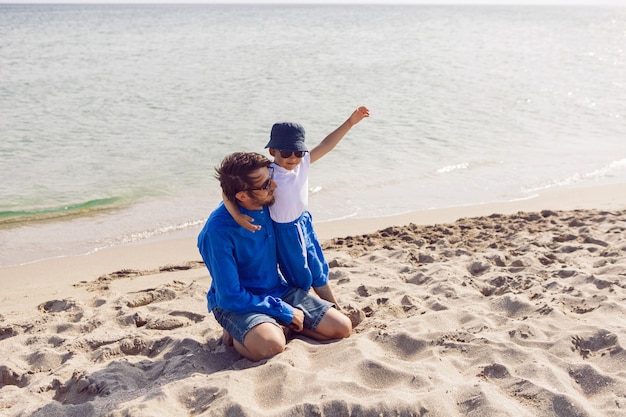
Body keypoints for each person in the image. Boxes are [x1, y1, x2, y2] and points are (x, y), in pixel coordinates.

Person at [198, 152, 352, 362]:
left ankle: (275, 327)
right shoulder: (217, 232)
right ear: (241, 196)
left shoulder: (273, 205)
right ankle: (238, 333)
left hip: (277, 290)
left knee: (341, 327)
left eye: (272, 179)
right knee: (270, 346)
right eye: (266, 185)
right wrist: (285, 312)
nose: (275, 187)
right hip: (235, 303)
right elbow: (230, 296)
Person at [224, 106, 370, 310]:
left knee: (318, 266)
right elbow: (226, 190)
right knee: (299, 274)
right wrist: (237, 216)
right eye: (286, 152)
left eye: (298, 152)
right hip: (284, 232)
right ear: (272, 151)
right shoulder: (268, 171)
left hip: (304, 222)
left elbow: (327, 143)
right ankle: (310, 309)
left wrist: (350, 122)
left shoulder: (303, 163)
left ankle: (334, 307)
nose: (292, 158)